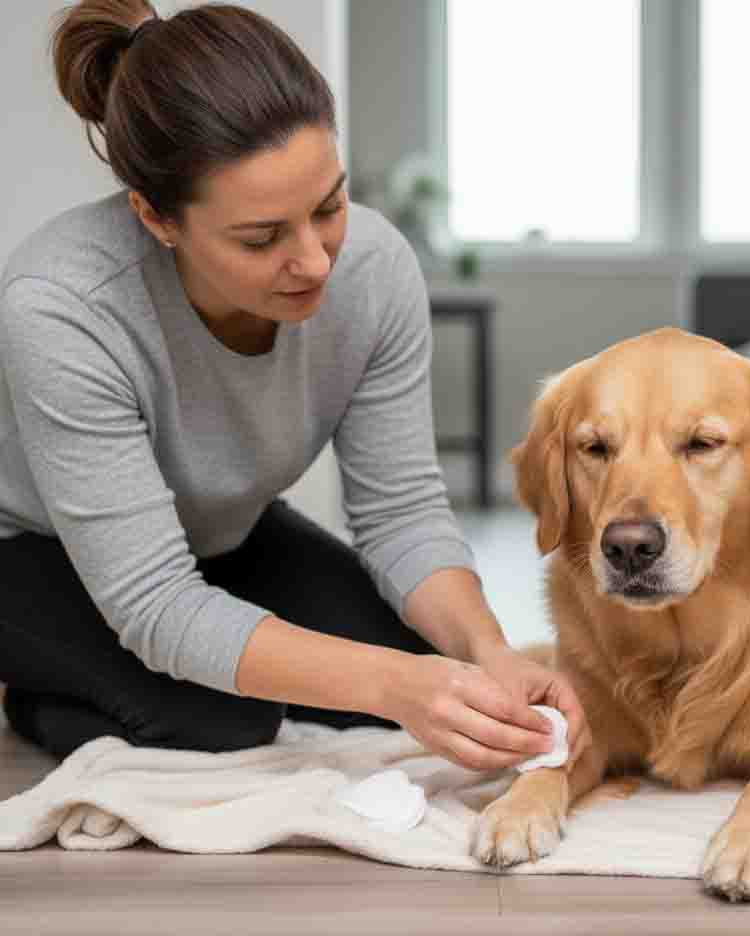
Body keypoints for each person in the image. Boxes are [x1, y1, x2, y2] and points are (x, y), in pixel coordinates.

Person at [0, 0, 591, 772]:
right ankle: (39, 689)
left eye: (329, 207)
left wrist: (487, 649)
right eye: (262, 237)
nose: (314, 260)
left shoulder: (374, 270)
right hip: (30, 549)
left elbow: (402, 511)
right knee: (218, 719)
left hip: (217, 533)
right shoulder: (63, 306)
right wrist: (394, 686)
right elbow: (154, 601)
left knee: (431, 667)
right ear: (156, 217)